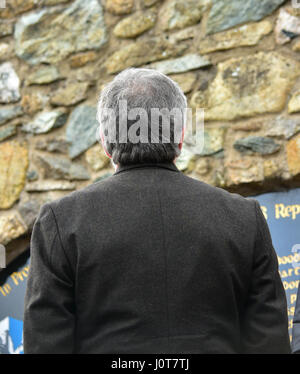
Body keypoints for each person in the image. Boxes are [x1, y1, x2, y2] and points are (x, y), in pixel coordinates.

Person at [23, 68, 290, 354]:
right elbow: (269, 344)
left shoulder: (61, 222)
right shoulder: (243, 218)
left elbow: (46, 346)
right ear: (180, 137)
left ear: (104, 141)